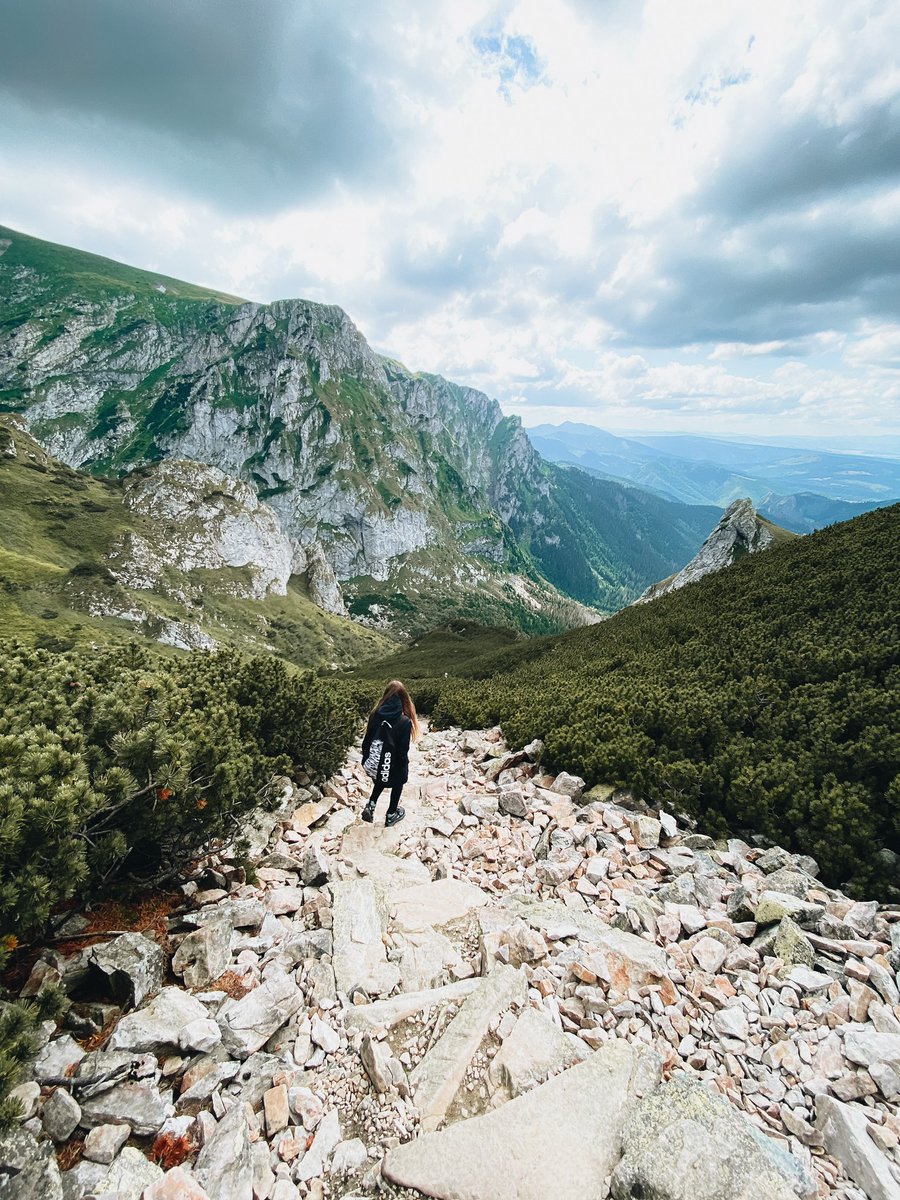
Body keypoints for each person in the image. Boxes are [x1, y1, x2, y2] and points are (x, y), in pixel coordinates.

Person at [361, 679, 419, 827]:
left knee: (382, 774)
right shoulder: (404, 721)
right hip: (390, 763)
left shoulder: (375, 714)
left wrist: (366, 758)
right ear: (404, 698)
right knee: (399, 780)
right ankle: (391, 814)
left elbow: (367, 740)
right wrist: (403, 767)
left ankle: (371, 804)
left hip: (374, 763)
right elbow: (402, 752)